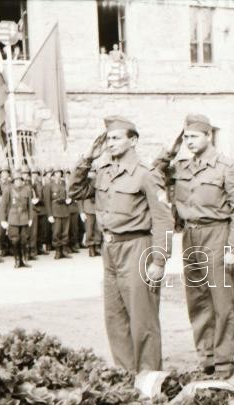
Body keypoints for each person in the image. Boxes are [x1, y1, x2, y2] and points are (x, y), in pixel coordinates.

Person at [69, 116, 174, 374]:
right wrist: (87, 159)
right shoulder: (104, 171)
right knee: (115, 317)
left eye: (116, 138)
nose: (110, 143)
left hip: (137, 247)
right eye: (108, 139)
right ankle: (126, 376)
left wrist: (159, 260)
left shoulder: (146, 174)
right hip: (110, 249)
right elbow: (74, 191)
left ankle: (149, 378)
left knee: (142, 318)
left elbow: (163, 218)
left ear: (133, 141)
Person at [167, 114, 234, 379]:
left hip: (217, 234)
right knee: (197, 299)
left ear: (209, 135)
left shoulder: (226, 167)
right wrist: (171, 148)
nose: (189, 141)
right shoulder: (181, 167)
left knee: (221, 301)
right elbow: (155, 173)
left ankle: (223, 361)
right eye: (185, 137)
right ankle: (207, 357)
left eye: (194, 136)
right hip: (190, 235)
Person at [0, 170, 35, 268]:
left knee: (24, 240)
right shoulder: (8, 190)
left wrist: (30, 218)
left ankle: (24, 260)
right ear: (13, 181)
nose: (18, 182)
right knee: (15, 240)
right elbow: (3, 206)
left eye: (20, 180)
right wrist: (3, 220)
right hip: (13, 218)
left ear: (22, 181)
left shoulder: (27, 190)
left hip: (24, 218)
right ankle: (17, 260)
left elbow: (30, 206)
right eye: (16, 180)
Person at [44, 168, 71, 259]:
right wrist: (49, 215)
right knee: (56, 232)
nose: (58, 174)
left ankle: (64, 250)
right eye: (56, 173)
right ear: (53, 174)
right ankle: (58, 251)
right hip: (55, 210)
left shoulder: (64, 184)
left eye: (59, 173)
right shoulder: (49, 185)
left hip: (65, 210)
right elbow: (47, 201)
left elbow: (68, 194)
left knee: (65, 231)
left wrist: (68, 200)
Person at [78, 165, 102, 257]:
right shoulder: (84, 183)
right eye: (90, 172)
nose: (92, 174)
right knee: (89, 229)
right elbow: (79, 198)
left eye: (93, 172)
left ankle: (97, 246)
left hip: (98, 208)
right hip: (87, 209)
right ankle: (91, 247)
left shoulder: (99, 182)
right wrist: (81, 211)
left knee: (98, 229)